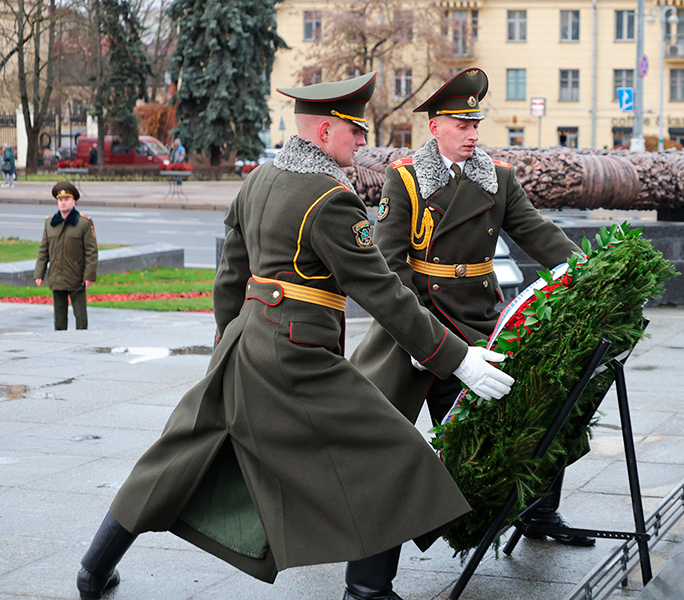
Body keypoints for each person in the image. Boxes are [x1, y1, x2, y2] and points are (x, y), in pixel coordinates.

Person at [75, 72, 513, 600]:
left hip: (245, 344)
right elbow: (383, 293)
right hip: (297, 355)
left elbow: (230, 274)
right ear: (325, 132)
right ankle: (368, 591)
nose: (363, 141)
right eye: (354, 130)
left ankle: (93, 569)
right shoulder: (330, 199)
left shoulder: (260, 177)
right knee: (394, 454)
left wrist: (225, 343)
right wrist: (457, 360)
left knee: (174, 456)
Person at [350, 67, 593, 548]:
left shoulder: (497, 178)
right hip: (422, 316)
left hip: (480, 316)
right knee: (381, 433)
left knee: (537, 404)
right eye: (461, 125)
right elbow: (390, 264)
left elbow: (537, 234)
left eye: (475, 124)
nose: (472, 134)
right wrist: (417, 337)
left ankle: (539, 511)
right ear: (435, 126)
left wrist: (588, 269)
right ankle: (378, 544)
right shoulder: (406, 178)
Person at [34, 181, 97, 330]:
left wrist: (89, 276)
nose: (63, 203)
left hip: (77, 277)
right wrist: (39, 273)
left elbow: (91, 252)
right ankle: (61, 343)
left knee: (80, 316)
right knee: (59, 317)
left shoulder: (84, 223)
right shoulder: (50, 223)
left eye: (66, 199)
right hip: (56, 276)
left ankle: (82, 343)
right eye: (60, 200)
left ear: (73, 201)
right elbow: (44, 250)